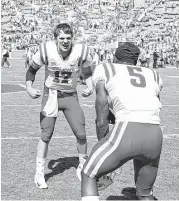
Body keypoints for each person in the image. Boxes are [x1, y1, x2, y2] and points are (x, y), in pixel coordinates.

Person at [81, 42, 163, 201]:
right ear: (136, 61)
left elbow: (101, 113)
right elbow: (152, 105)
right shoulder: (153, 74)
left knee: (88, 173)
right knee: (145, 194)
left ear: (115, 58)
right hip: (155, 134)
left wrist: (103, 141)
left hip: (127, 130)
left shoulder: (107, 69)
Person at [25, 23, 94, 189]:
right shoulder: (46, 50)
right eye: (61, 38)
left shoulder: (81, 51)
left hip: (70, 96)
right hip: (51, 96)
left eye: (68, 38)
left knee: (81, 133)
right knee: (46, 134)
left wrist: (90, 86)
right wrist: (28, 87)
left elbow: (87, 71)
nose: (65, 41)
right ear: (55, 39)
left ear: (72, 38)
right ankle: (39, 172)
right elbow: (32, 70)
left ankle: (82, 167)